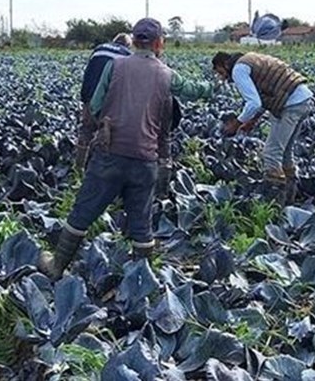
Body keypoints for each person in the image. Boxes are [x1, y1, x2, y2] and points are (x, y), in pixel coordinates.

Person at [39, 18, 213, 278]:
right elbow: (193, 90)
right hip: (145, 160)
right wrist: (213, 85)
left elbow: (95, 106)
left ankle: (56, 267)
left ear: (134, 41)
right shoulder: (166, 74)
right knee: (141, 222)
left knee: (83, 211)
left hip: (110, 154)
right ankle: (141, 281)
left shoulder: (114, 65)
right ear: (158, 43)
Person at [211, 51, 312, 186]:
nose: (223, 77)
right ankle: (290, 194)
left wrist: (236, 124)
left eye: (221, 72)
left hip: (290, 104)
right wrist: (252, 120)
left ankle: (274, 199)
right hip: (303, 99)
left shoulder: (238, 69)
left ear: (225, 64)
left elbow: (254, 103)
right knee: (286, 151)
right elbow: (266, 93)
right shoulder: (251, 58)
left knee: (271, 154)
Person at [75, 32, 132, 169]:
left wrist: (84, 99)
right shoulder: (127, 55)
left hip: (90, 93)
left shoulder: (99, 49)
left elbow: (88, 73)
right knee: (108, 132)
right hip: (109, 98)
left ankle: (79, 166)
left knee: (86, 129)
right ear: (127, 45)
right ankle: (101, 167)